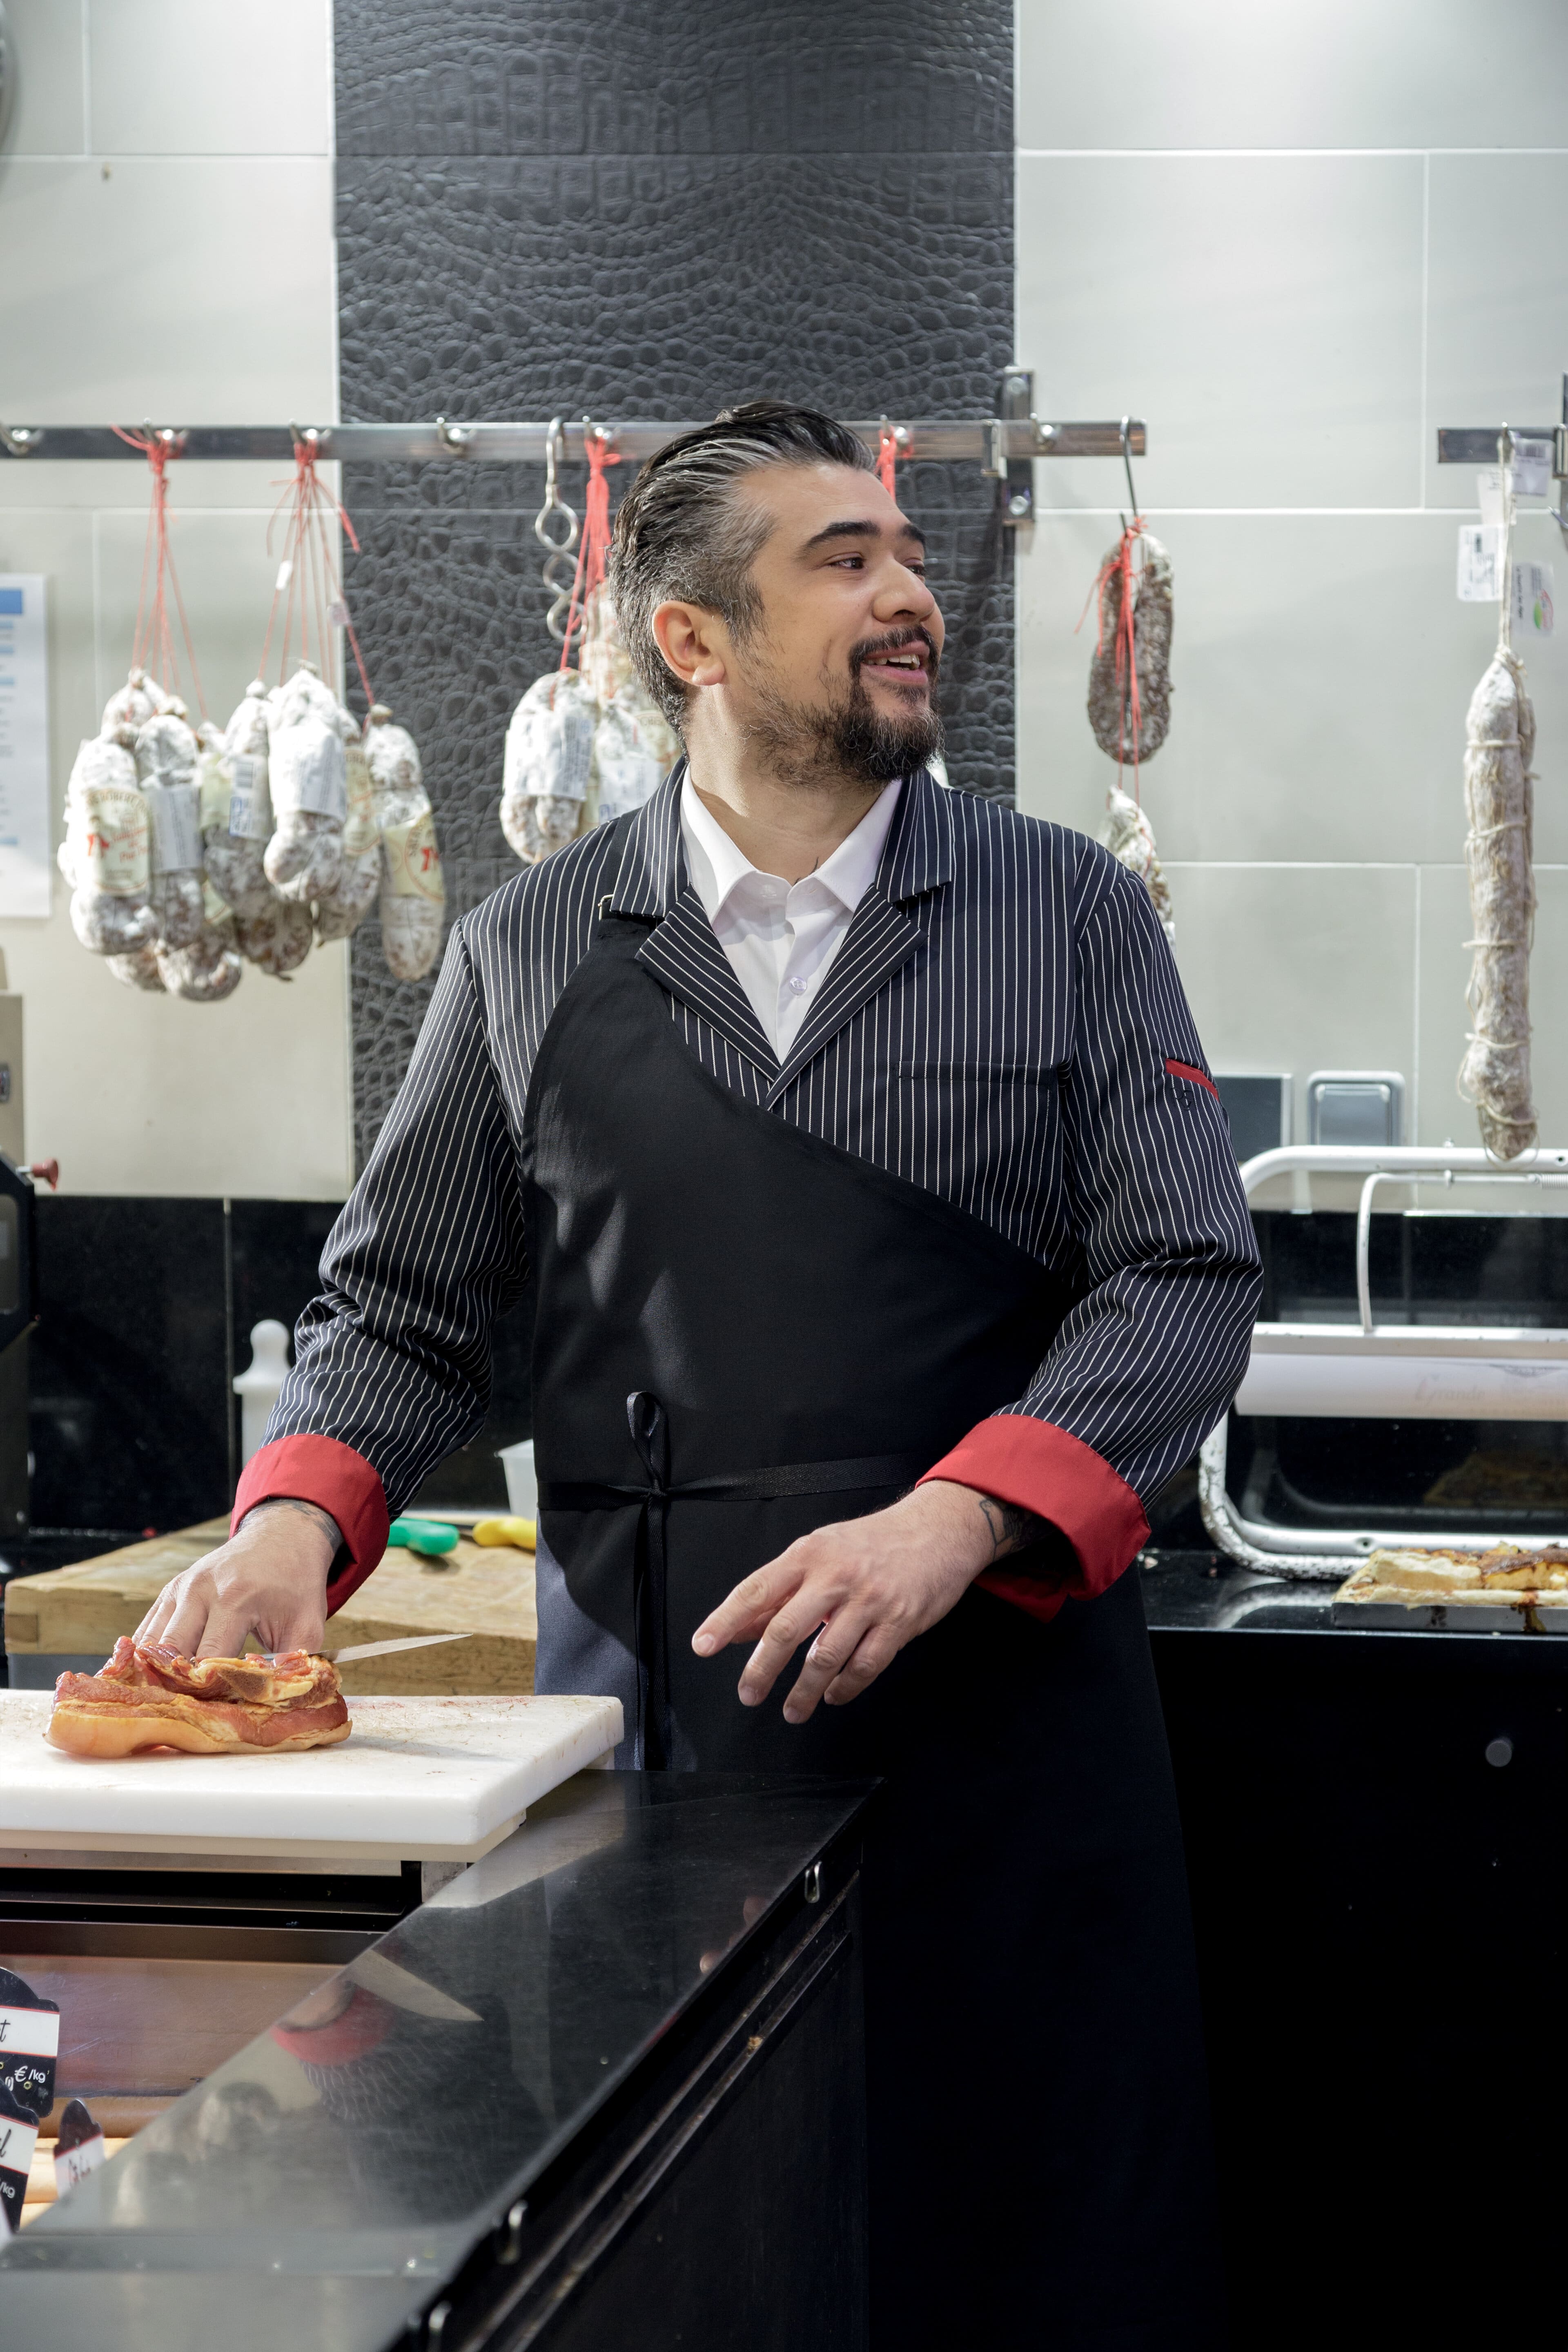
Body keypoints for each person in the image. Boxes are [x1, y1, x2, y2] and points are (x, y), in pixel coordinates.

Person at [139, 401, 1261, 2346]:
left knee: (1022, 2259)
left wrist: (957, 1513)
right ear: (690, 642)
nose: (910, 595)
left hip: (1000, 1741)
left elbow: (1181, 1273)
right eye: (846, 562)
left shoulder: (1065, 914)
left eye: (905, 556)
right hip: (661, 1765)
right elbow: (407, 1309)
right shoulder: (530, 946)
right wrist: (292, 1523)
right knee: (693, 2258)